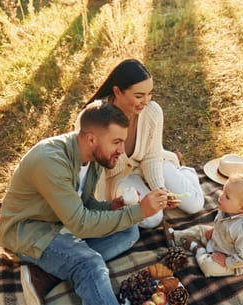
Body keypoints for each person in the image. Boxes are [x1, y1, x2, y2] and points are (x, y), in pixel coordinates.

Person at [0, 101, 166, 305]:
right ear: (91, 138)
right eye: (116, 142)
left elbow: (85, 204)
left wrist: (112, 208)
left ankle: (44, 274)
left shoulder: (93, 158)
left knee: (129, 230)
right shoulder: (51, 161)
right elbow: (81, 224)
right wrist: (139, 211)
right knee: (89, 264)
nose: (122, 150)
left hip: (60, 224)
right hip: (29, 232)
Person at [76, 58, 204, 228]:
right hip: (118, 178)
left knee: (194, 204)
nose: (146, 101)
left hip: (154, 165)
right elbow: (89, 169)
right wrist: (99, 207)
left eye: (150, 93)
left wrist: (159, 189)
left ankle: (185, 172)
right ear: (118, 91)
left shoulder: (152, 111)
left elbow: (152, 156)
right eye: (139, 96)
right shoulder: (94, 117)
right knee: (152, 218)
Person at [165, 172, 243, 277]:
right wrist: (214, 231)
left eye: (227, 196)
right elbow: (221, 224)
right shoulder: (227, 209)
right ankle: (174, 236)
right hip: (218, 241)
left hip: (232, 261)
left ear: (242, 208)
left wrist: (226, 261)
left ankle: (198, 249)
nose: (221, 196)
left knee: (208, 267)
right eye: (223, 191)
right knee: (201, 229)